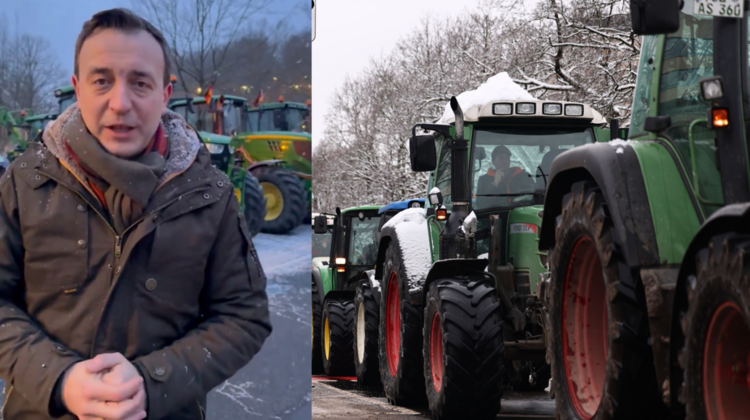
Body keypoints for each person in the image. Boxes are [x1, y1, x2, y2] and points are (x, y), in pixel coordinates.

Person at [0, 9, 271, 420]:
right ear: (77, 89)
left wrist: (153, 381)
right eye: (102, 81)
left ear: (165, 94)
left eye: (140, 83)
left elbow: (244, 316)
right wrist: (57, 379)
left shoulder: (210, 196)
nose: (120, 103)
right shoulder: (24, 183)